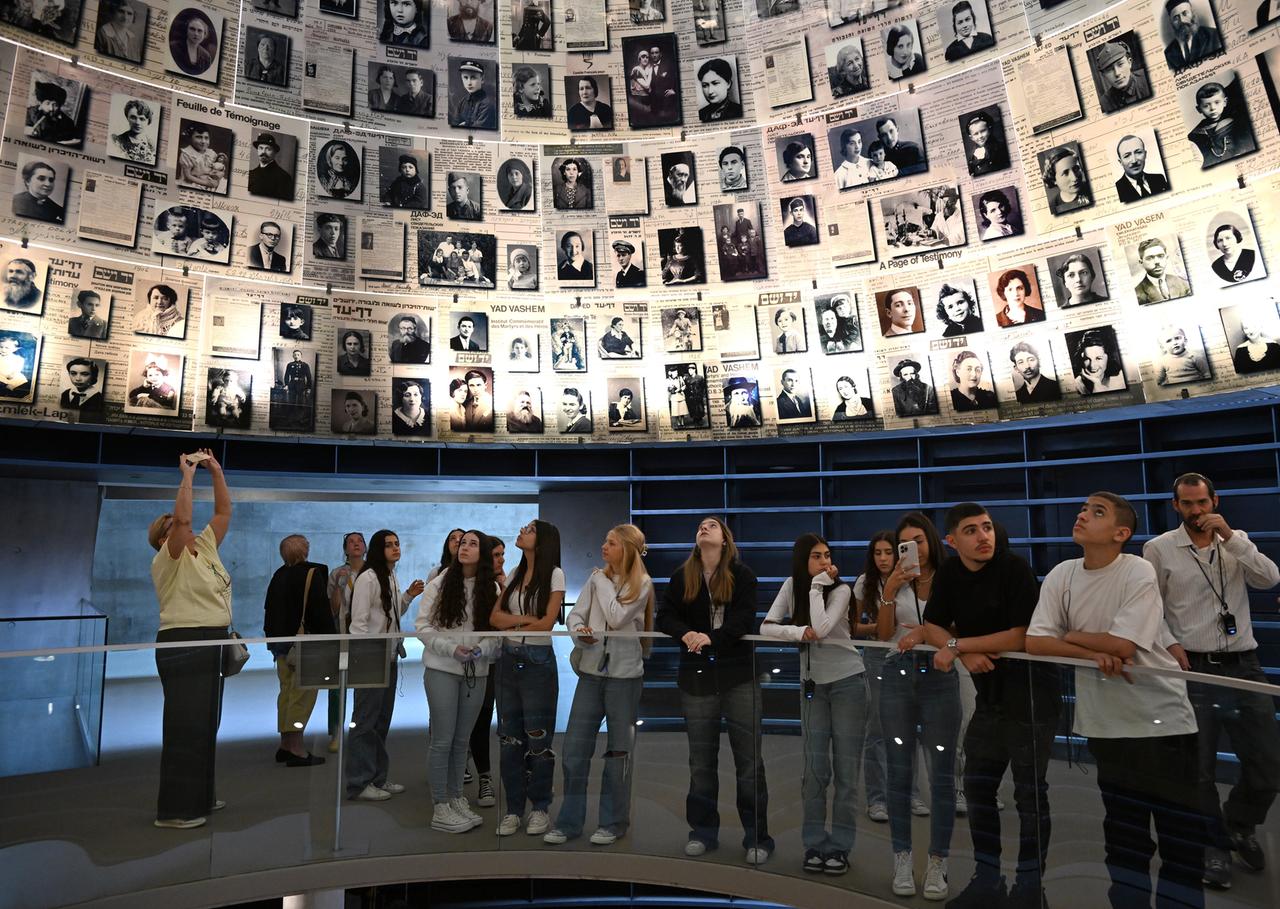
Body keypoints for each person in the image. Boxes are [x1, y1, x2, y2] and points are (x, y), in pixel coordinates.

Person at [1027, 492, 1202, 909]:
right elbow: (1035, 641)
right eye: (1083, 507)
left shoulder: (1138, 571)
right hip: (1107, 726)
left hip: (1164, 723)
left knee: (1180, 841)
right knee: (1124, 840)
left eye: (1096, 512)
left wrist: (1068, 636)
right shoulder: (1061, 574)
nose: (1082, 514)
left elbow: (1122, 645)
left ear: (1121, 534)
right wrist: (1089, 653)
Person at [1143, 473, 1280, 889]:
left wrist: (1232, 539)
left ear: (1214, 500)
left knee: (1268, 763)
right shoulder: (1159, 548)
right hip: (1193, 668)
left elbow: (1269, 579)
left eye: (1202, 503)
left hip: (1244, 665)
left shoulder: (1235, 540)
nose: (1197, 512)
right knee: (1197, 770)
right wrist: (1167, 644)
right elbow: (1148, 606)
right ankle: (1214, 846)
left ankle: (1239, 823)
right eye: (1187, 504)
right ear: (1176, 507)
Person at [922, 503, 1061, 907]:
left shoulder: (1014, 568)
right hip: (991, 697)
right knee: (979, 787)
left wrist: (957, 646)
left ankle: (1030, 887)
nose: (984, 536)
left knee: (1029, 795)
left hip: (1033, 697)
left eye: (987, 527)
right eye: (971, 530)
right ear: (951, 541)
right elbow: (932, 624)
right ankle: (988, 878)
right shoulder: (949, 573)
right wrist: (959, 652)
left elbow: (1021, 636)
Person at [656, 517, 774, 865]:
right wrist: (687, 634)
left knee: (749, 761)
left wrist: (711, 639)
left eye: (712, 525)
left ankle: (757, 837)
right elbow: (664, 617)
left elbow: (744, 619)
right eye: (700, 525)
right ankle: (703, 832)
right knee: (701, 762)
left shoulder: (743, 575)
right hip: (697, 681)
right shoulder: (682, 576)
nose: (704, 528)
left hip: (739, 678)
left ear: (725, 540)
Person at [760, 534, 865, 875]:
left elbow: (820, 629)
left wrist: (818, 587)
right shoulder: (792, 585)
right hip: (813, 686)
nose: (824, 562)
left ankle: (840, 847)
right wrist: (797, 631)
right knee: (815, 771)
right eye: (816, 557)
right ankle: (815, 844)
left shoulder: (840, 590)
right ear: (802, 560)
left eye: (827, 555)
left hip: (848, 680)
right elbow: (767, 627)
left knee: (846, 773)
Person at [544, 524, 653, 846]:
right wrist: (581, 631)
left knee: (618, 754)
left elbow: (617, 616)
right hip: (591, 674)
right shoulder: (596, 579)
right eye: (604, 541)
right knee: (574, 752)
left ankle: (613, 822)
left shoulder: (641, 584)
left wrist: (603, 580)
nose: (604, 547)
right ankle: (569, 822)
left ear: (628, 550)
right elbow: (574, 617)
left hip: (624, 679)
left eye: (612, 543)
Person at [146, 449, 232, 829]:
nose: (185, 529)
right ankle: (177, 810)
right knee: (185, 725)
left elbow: (224, 512)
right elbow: (183, 516)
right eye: (176, 529)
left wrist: (217, 473)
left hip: (213, 638)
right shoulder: (169, 557)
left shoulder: (207, 548)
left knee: (205, 723)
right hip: (185, 640)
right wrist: (187, 476)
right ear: (165, 539)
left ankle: (201, 796)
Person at [876, 512, 958, 900]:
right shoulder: (894, 580)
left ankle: (939, 861)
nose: (914, 549)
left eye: (919, 540)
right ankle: (902, 857)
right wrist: (890, 589)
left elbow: (964, 629)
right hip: (897, 675)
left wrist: (929, 632)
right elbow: (882, 633)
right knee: (899, 771)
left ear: (932, 542)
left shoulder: (952, 577)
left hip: (941, 677)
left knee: (942, 774)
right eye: (905, 543)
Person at [413, 529, 499, 832]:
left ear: (483, 553)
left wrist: (480, 648)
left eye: (473, 544)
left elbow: (495, 636)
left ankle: (455, 797)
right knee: (443, 740)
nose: (465, 547)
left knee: (463, 740)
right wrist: (451, 648)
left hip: (477, 670)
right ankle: (441, 805)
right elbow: (422, 627)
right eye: (463, 543)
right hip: (442, 669)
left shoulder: (492, 590)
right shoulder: (439, 583)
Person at [485, 520, 564, 836]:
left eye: (529, 529)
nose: (521, 531)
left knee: (538, 738)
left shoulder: (555, 574)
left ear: (542, 540)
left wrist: (515, 625)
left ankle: (540, 807)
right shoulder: (515, 574)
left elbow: (548, 624)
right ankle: (514, 809)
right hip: (508, 659)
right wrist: (525, 620)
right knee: (509, 739)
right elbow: (495, 618)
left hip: (537, 661)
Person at [347, 529, 425, 801]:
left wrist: (408, 596)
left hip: (389, 656)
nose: (395, 548)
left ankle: (377, 777)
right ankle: (359, 781)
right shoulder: (367, 578)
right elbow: (358, 622)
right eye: (389, 545)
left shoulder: (389, 576)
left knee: (381, 721)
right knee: (365, 721)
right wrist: (363, 657)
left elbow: (391, 612)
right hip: (371, 655)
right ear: (378, 549)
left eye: (397, 544)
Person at [263, 535, 334, 767]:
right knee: (302, 696)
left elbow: (269, 610)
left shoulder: (278, 576)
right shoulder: (313, 574)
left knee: (286, 693)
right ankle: (296, 748)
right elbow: (320, 611)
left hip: (281, 645)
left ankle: (285, 744)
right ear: (305, 551)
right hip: (304, 645)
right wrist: (332, 640)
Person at [852, 531, 896, 825]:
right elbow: (854, 626)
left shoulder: (912, 580)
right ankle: (877, 799)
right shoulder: (863, 582)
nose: (882, 558)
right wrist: (879, 629)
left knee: (905, 731)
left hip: (907, 655)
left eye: (888, 552)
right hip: (877, 656)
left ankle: (909, 794)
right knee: (877, 729)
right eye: (878, 553)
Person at [325, 531, 365, 752]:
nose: (356, 544)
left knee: (364, 685)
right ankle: (336, 732)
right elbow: (333, 609)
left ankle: (360, 732)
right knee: (337, 686)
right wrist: (340, 587)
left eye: (360, 541)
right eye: (351, 542)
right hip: (343, 633)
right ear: (345, 549)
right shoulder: (337, 573)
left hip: (367, 636)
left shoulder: (373, 571)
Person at [1186, 81, 1256, 167]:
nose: (1213, 108)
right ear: (1199, 109)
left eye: (1217, 102)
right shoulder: (1195, 134)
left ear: (1225, 102)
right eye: (1206, 106)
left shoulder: (1236, 124)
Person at [1163, 0, 1222, 73]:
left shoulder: (1214, 36)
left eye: (1185, 13)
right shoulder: (1168, 54)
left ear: (1192, 14)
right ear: (1171, 23)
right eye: (1176, 18)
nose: (1182, 20)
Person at [1094, 40, 1152, 113]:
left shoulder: (1149, 78)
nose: (1117, 73)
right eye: (1109, 69)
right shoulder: (1104, 104)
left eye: (1120, 64)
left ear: (1129, 63)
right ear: (1104, 75)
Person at [1113, 134, 1170, 203]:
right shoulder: (1117, 189)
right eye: (1127, 156)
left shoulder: (1159, 179)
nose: (1134, 161)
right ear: (1120, 162)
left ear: (1145, 154)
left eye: (1138, 152)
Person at [1133, 238, 1191, 303]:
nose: (1157, 262)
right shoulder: (1137, 295)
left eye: (1160, 256)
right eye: (1149, 258)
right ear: (1141, 262)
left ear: (1166, 258)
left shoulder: (1183, 283)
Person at [1073, 329, 1126, 394]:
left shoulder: (1121, 379)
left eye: (1098, 358)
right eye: (1087, 359)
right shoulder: (1076, 386)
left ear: (1108, 357)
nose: (1092, 365)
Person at [26, 79, 78, 145]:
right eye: (47, 103)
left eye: (55, 105)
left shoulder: (68, 123)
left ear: (60, 105)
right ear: (40, 103)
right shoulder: (29, 113)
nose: (51, 108)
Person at [1042, 146, 1091, 215]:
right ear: (1054, 180)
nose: (1074, 178)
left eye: (1076, 169)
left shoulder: (1092, 189)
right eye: (1065, 173)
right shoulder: (1052, 207)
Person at [450, 60, 497, 130]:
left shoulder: (487, 104)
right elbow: (454, 124)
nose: (469, 83)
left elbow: (478, 130)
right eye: (465, 78)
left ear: (482, 79)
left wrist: (465, 124)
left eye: (473, 78)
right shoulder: (463, 101)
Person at [169, 10, 217, 76]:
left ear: (204, 34)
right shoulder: (174, 47)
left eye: (200, 31)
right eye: (192, 29)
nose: (196, 34)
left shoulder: (206, 56)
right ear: (187, 30)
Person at [248, 133, 293, 201]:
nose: (263, 152)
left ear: (274, 152)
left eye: (268, 149)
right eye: (261, 148)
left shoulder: (284, 177)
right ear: (257, 150)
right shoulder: (251, 173)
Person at [110, 99, 157, 164]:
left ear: (148, 121)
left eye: (142, 119)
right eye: (133, 117)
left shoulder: (152, 145)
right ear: (127, 118)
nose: (137, 122)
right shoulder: (118, 142)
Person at [963, 110, 1008, 176]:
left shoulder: (1002, 148)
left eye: (983, 131)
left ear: (989, 129)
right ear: (971, 138)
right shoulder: (971, 158)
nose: (980, 136)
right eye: (976, 134)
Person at [177, 125, 220, 192]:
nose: (203, 141)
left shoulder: (211, 153)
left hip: (210, 180)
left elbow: (216, 169)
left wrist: (216, 177)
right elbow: (188, 176)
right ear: (190, 138)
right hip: (193, 182)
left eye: (206, 138)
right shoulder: (187, 154)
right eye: (199, 137)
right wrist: (207, 183)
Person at [697, 58, 742, 122]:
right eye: (705, 85)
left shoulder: (739, 111)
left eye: (715, 83)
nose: (710, 91)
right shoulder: (700, 114)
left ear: (728, 84)